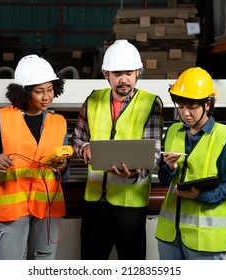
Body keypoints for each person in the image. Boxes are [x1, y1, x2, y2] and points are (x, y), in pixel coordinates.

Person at [71, 39, 164, 260]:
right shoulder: (93, 100)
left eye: (129, 73)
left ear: (138, 72)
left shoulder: (151, 103)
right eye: (117, 73)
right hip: (94, 203)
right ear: (106, 74)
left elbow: (155, 154)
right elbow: (76, 139)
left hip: (130, 206)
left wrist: (136, 172)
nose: (123, 80)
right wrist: (84, 149)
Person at [0, 54, 70, 260]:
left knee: (43, 263)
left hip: (46, 206)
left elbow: (64, 168)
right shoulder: (0, 119)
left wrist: (62, 166)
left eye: (50, 90)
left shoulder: (59, 122)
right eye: (39, 91)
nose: (46, 96)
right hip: (13, 208)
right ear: (24, 92)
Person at [155, 67, 226, 260]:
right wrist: (169, 168)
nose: (185, 113)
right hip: (170, 235)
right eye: (180, 106)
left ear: (207, 104)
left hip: (204, 240)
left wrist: (199, 195)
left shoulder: (225, 137)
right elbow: (163, 180)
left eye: (192, 107)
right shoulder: (173, 131)